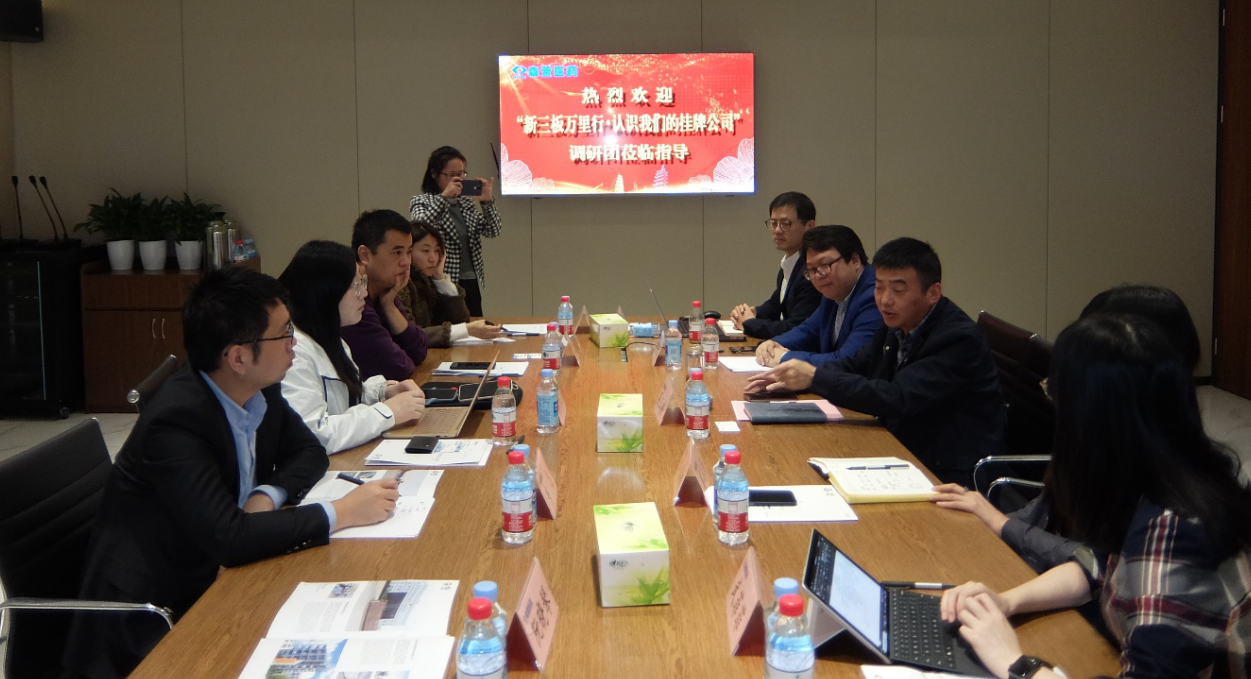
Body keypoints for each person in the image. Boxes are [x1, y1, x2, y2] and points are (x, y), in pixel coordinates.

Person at [63, 267, 400, 679]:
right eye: (284, 333)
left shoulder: (258, 384)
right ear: (238, 357)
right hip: (155, 615)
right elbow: (230, 539)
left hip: (219, 571)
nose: (294, 343)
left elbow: (309, 451)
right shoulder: (176, 420)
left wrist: (265, 496)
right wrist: (341, 512)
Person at [939, 314, 1251, 679]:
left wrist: (1015, 662)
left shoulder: (1175, 528)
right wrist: (1006, 601)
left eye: (1055, 392)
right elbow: (1096, 566)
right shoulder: (1163, 473)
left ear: (1093, 418)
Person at [930, 284, 1205, 574]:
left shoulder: (1166, 487)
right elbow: (1047, 507)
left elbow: (1101, 566)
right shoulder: (1096, 432)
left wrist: (1000, 523)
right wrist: (986, 523)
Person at [745, 237, 1005, 485]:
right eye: (879, 287)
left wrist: (815, 377)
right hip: (902, 446)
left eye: (898, 290)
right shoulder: (897, 322)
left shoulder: (957, 338)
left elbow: (898, 397)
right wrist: (795, 377)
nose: (885, 300)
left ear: (933, 293)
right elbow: (855, 364)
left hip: (947, 470)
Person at [278, 240, 428, 454]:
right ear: (327, 292)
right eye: (356, 285)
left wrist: (382, 392)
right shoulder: (292, 351)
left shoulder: (329, 336)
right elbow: (314, 434)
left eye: (362, 282)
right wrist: (386, 412)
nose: (364, 293)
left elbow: (342, 397)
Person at [753, 224, 881, 368]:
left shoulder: (875, 295)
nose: (818, 276)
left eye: (825, 265)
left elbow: (847, 360)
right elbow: (808, 330)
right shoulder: (833, 290)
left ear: (854, 260)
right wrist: (774, 343)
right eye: (811, 270)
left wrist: (784, 357)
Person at [409, 145, 503, 316]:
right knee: (446, 322)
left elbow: (492, 230)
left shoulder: (466, 203)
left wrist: (487, 203)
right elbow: (420, 226)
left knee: (473, 322)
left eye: (461, 174)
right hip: (439, 277)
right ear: (434, 174)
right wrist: (445, 197)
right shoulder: (422, 201)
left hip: (470, 278)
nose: (457, 179)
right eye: (451, 175)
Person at [341, 209, 430, 381]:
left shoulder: (384, 292)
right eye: (397, 252)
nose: (406, 262)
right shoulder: (351, 299)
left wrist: (389, 306)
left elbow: (419, 351)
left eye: (409, 252)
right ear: (365, 255)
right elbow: (397, 367)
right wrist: (405, 357)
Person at [729, 192, 822, 339]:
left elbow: (796, 327)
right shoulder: (790, 264)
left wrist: (750, 323)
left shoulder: (812, 272)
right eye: (774, 223)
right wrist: (750, 313)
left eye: (785, 224)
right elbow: (774, 305)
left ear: (809, 226)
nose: (777, 230)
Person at [397, 220, 503, 347]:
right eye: (426, 250)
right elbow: (410, 335)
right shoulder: (400, 283)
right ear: (408, 252)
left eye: (437, 251)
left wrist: (440, 278)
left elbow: (461, 320)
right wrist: (466, 330)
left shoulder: (428, 281)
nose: (433, 258)